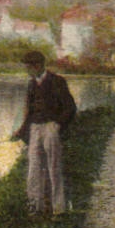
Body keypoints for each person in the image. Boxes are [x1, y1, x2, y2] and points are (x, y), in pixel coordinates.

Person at [11, 50, 77, 217]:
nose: (27, 70)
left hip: (50, 128)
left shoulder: (58, 81)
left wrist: (58, 125)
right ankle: (35, 207)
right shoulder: (32, 84)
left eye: (28, 67)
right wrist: (20, 131)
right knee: (33, 169)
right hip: (35, 129)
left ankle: (59, 209)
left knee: (53, 167)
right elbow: (29, 113)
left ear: (38, 65)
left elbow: (70, 108)